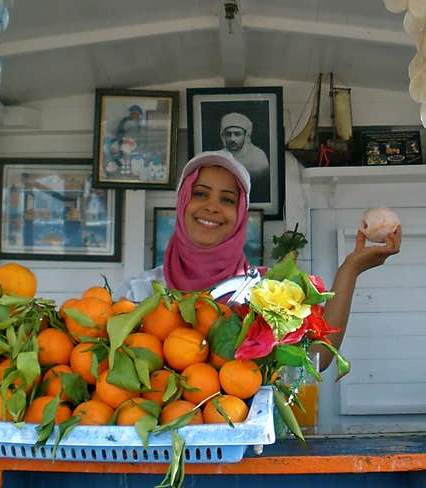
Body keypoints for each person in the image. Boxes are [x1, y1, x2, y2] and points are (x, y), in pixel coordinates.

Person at [116, 149, 402, 371]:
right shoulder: (138, 293)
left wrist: (350, 269)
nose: (212, 207)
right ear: (182, 204)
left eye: (228, 200)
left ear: (241, 214)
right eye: (200, 194)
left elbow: (316, 358)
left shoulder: (266, 293)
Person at [219, 112, 271, 202]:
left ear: (246, 135)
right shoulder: (218, 157)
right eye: (228, 134)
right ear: (223, 135)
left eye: (237, 134)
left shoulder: (258, 157)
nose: (232, 139)